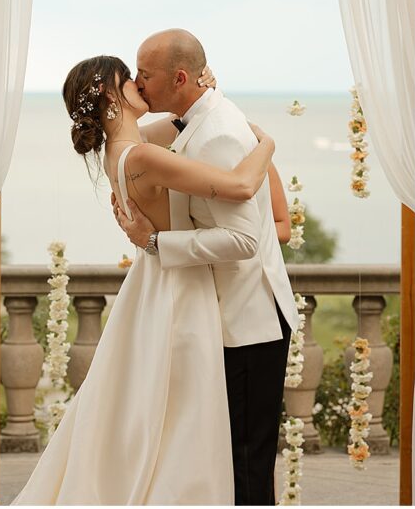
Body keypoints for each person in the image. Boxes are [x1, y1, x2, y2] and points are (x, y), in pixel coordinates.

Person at [15, 55, 276, 504]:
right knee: (187, 417)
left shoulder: (122, 150)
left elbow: (187, 125)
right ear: (112, 97)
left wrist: (206, 93)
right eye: (129, 79)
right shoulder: (144, 156)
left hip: (152, 286)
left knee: (158, 414)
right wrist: (267, 143)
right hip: (179, 292)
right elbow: (239, 187)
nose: (139, 82)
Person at [116, 29, 299, 505]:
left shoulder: (214, 133)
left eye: (145, 75)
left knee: (245, 465)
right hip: (233, 319)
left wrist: (156, 242)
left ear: (179, 77)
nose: (138, 82)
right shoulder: (195, 120)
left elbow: (241, 240)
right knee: (232, 461)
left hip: (247, 323)